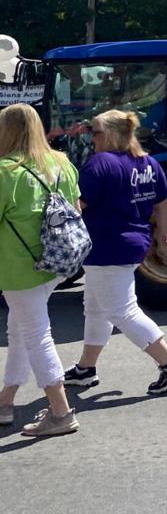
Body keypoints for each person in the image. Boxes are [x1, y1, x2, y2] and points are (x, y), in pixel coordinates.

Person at [62, 109, 167, 398]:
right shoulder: (148, 163)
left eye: (93, 132)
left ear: (108, 135)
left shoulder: (100, 164)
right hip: (133, 244)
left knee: (122, 311)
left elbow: (77, 205)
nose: (90, 138)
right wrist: (164, 235)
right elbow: (162, 203)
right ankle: (86, 368)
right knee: (96, 307)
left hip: (106, 245)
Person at [0, 104, 81, 437]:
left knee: (35, 334)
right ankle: (5, 401)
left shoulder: (6, 171)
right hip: (56, 263)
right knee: (20, 330)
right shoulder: (61, 163)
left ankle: (60, 412)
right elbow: (76, 210)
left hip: (19, 267)